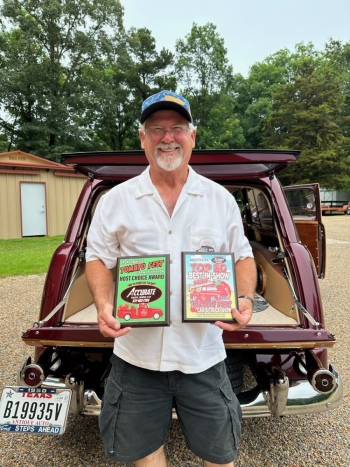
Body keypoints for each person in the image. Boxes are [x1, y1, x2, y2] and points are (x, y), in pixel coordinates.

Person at [86, 90, 257, 467]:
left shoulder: (219, 199)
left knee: (220, 454)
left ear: (192, 136)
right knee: (143, 454)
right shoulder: (116, 200)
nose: (167, 137)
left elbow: (243, 257)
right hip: (136, 359)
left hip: (203, 357)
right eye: (156, 128)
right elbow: (97, 257)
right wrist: (104, 305)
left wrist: (243, 300)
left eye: (177, 127)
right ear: (142, 138)